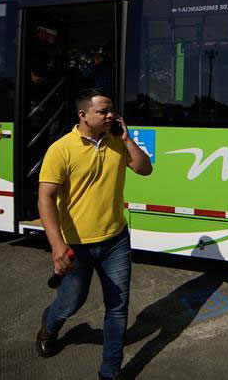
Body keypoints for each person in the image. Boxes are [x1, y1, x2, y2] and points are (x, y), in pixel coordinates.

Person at [36, 88, 153, 380]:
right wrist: (57, 245)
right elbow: (45, 199)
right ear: (83, 115)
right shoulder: (61, 149)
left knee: (117, 308)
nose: (111, 114)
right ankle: (50, 323)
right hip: (77, 245)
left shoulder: (117, 142)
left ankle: (109, 371)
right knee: (71, 302)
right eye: (103, 111)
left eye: (112, 109)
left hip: (116, 240)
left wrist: (127, 139)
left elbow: (145, 169)